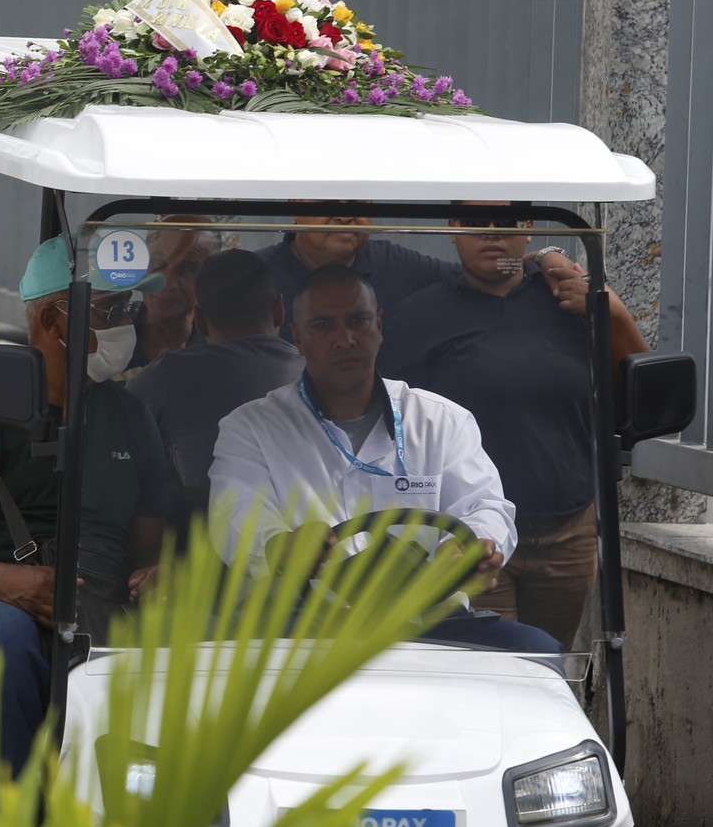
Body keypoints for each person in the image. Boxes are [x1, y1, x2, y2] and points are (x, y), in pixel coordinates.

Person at [208, 265, 560, 653]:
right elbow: (235, 513)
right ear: (298, 338)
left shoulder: (441, 419)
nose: (344, 339)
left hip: (430, 621)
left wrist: (472, 545)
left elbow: (485, 505)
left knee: (538, 651)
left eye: (357, 320)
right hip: (306, 626)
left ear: (379, 325)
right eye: (324, 325)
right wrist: (278, 545)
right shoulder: (250, 427)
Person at [0, 238, 169, 773]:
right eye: (113, 310)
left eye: (130, 309)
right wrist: (21, 587)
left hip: (104, 601)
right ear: (56, 320)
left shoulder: (132, 417)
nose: (129, 323)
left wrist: (158, 575)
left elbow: (151, 550)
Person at [379, 216, 649, 648]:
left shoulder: (570, 301)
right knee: (492, 669)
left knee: (548, 669)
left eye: (504, 221)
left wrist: (613, 311)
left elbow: (642, 391)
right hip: (473, 539)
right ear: (452, 228)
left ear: (528, 228)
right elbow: (389, 423)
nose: (490, 232)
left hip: (567, 535)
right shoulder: (421, 314)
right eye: (474, 221)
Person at [127, 249, 303, 529]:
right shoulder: (317, 377)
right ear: (279, 309)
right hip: (309, 549)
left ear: (199, 319)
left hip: (194, 559)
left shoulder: (162, 378)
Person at [256, 209, 580, 338]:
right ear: (296, 203)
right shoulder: (253, 279)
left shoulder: (394, 263)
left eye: (358, 201)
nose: (345, 215)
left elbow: (479, 273)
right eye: (330, 201)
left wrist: (543, 257)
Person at [128, 217, 221, 369]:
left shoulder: (221, 347)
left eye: (187, 269)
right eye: (158, 264)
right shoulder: (110, 336)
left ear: (211, 278)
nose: (167, 284)